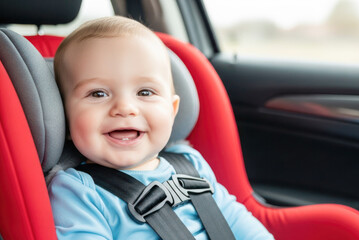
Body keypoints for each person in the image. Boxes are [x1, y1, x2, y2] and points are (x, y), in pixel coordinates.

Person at [48, 16, 274, 240]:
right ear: (65, 118)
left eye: (145, 92)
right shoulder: (78, 192)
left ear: (172, 110)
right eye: (98, 93)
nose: (125, 108)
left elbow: (236, 221)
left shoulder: (190, 164)